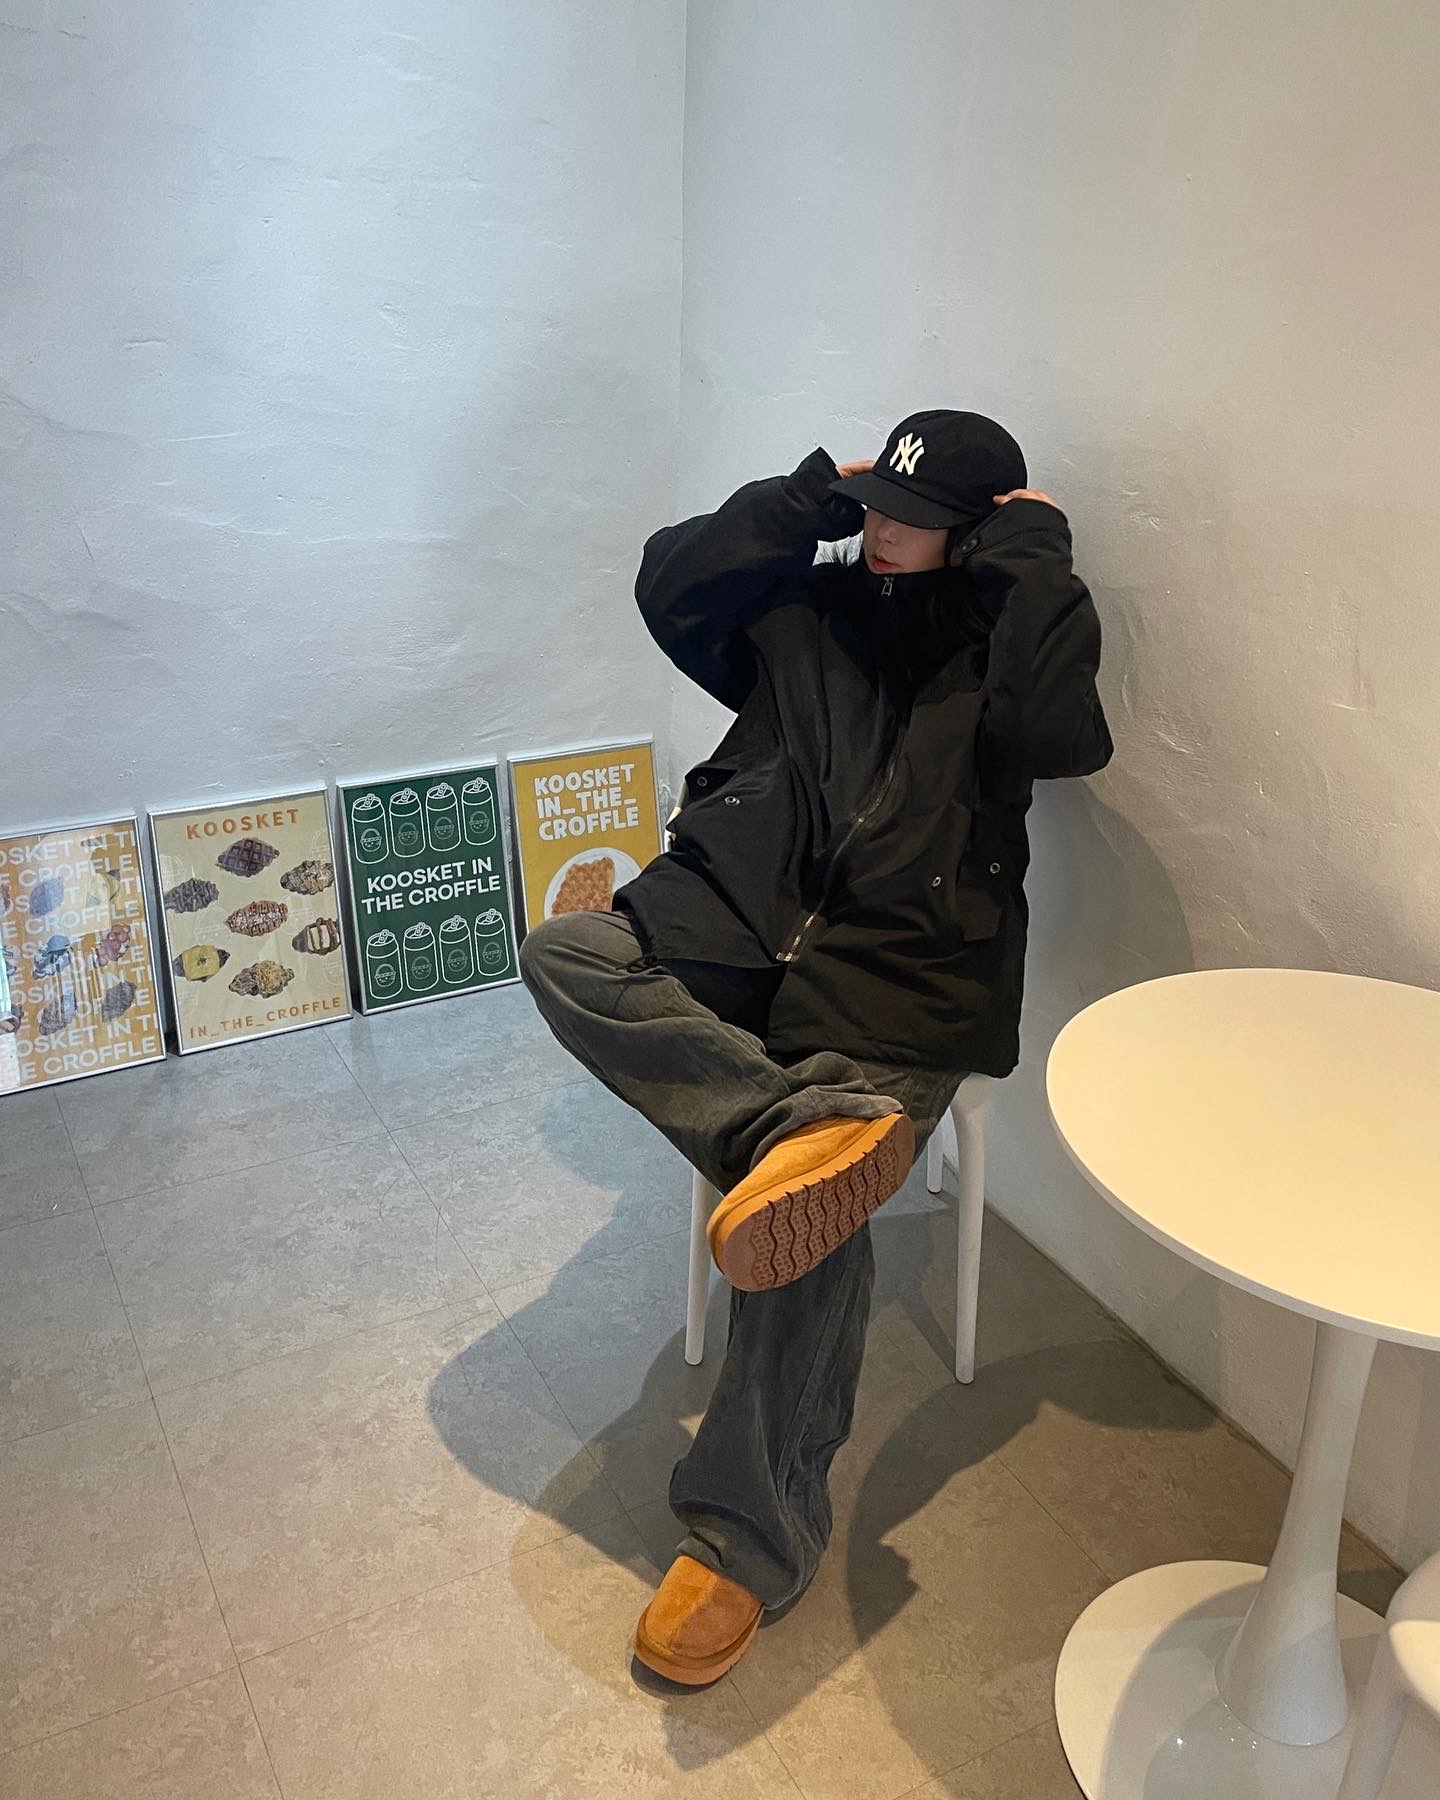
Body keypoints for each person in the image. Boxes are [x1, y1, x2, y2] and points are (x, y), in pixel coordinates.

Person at [518, 408, 1114, 1685]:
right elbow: (670, 584)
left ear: (978, 534)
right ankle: (792, 1129)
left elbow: (1061, 733)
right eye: (879, 506)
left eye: (918, 520)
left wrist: (1033, 563)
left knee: (810, 1220)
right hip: (733, 918)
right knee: (567, 953)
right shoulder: (803, 608)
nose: (887, 533)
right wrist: (804, 502)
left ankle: (745, 1538)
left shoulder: (1001, 645)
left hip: (903, 975)